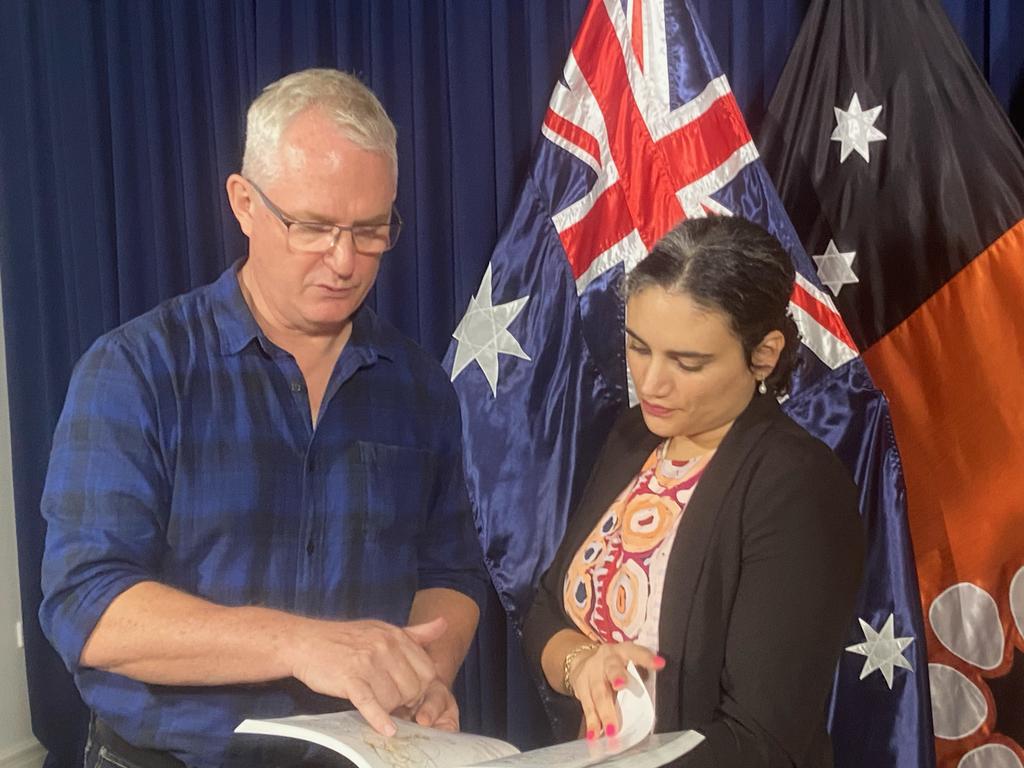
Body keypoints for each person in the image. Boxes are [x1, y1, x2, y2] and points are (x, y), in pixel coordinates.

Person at [39, 69, 487, 768]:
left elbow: (452, 572)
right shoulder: (136, 370)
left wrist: (425, 672)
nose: (345, 262)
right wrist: (300, 644)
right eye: (312, 227)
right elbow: (87, 606)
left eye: (370, 231)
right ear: (244, 203)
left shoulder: (420, 386)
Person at [523, 216, 865, 767]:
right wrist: (581, 664)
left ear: (764, 354)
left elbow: (761, 740)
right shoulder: (636, 436)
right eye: (638, 348)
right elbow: (545, 609)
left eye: (687, 362)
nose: (651, 382)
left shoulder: (797, 486)